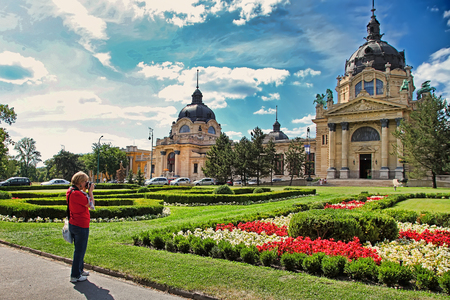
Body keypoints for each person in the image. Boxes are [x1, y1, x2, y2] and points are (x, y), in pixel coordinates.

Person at [67, 171, 95, 283]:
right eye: (85, 181)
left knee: (80, 250)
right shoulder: (76, 194)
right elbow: (91, 205)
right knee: (79, 250)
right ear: (80, 182)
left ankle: (80, 270)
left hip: (74, 223)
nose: (87, 183)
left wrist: (84, 190)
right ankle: (75, 275)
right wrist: (91, 192)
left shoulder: (71, 191)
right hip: (80, 225)